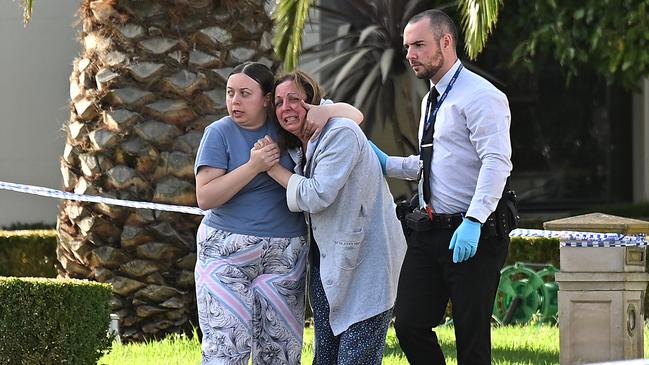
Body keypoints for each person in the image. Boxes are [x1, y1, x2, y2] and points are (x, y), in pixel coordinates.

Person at [369, 9, 513, 365]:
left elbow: (497, 162)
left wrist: (475, 220)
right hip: (429, 232)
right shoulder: (431, 98)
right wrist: (388, 163)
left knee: (471, 339)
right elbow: (434, 164)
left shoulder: (480, 95)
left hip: (475, 233)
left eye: (419, 45)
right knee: (409, 325)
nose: (409, 54)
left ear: (445, 42)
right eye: (407, 47)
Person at [194, 62, 363, 365]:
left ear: (266, 99)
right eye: (230, 93)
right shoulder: (218, 133)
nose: (235, 101)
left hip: (285, 255)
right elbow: (205, 196)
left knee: (280, 351)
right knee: (227, 346)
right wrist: (254, 166)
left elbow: (354, 117)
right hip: (225, 254)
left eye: (245, 94)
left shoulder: (287, 125)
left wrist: (324, 111)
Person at [256, 70, 407, 365]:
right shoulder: (299, 143)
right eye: (278, 102)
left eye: (294, 99)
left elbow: (316, 195)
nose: (286, 107)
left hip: (367, 264)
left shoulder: (340, 133)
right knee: (325, 358)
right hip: (327, 265)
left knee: (355, 358)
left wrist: (273, 170)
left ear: (312, 102)